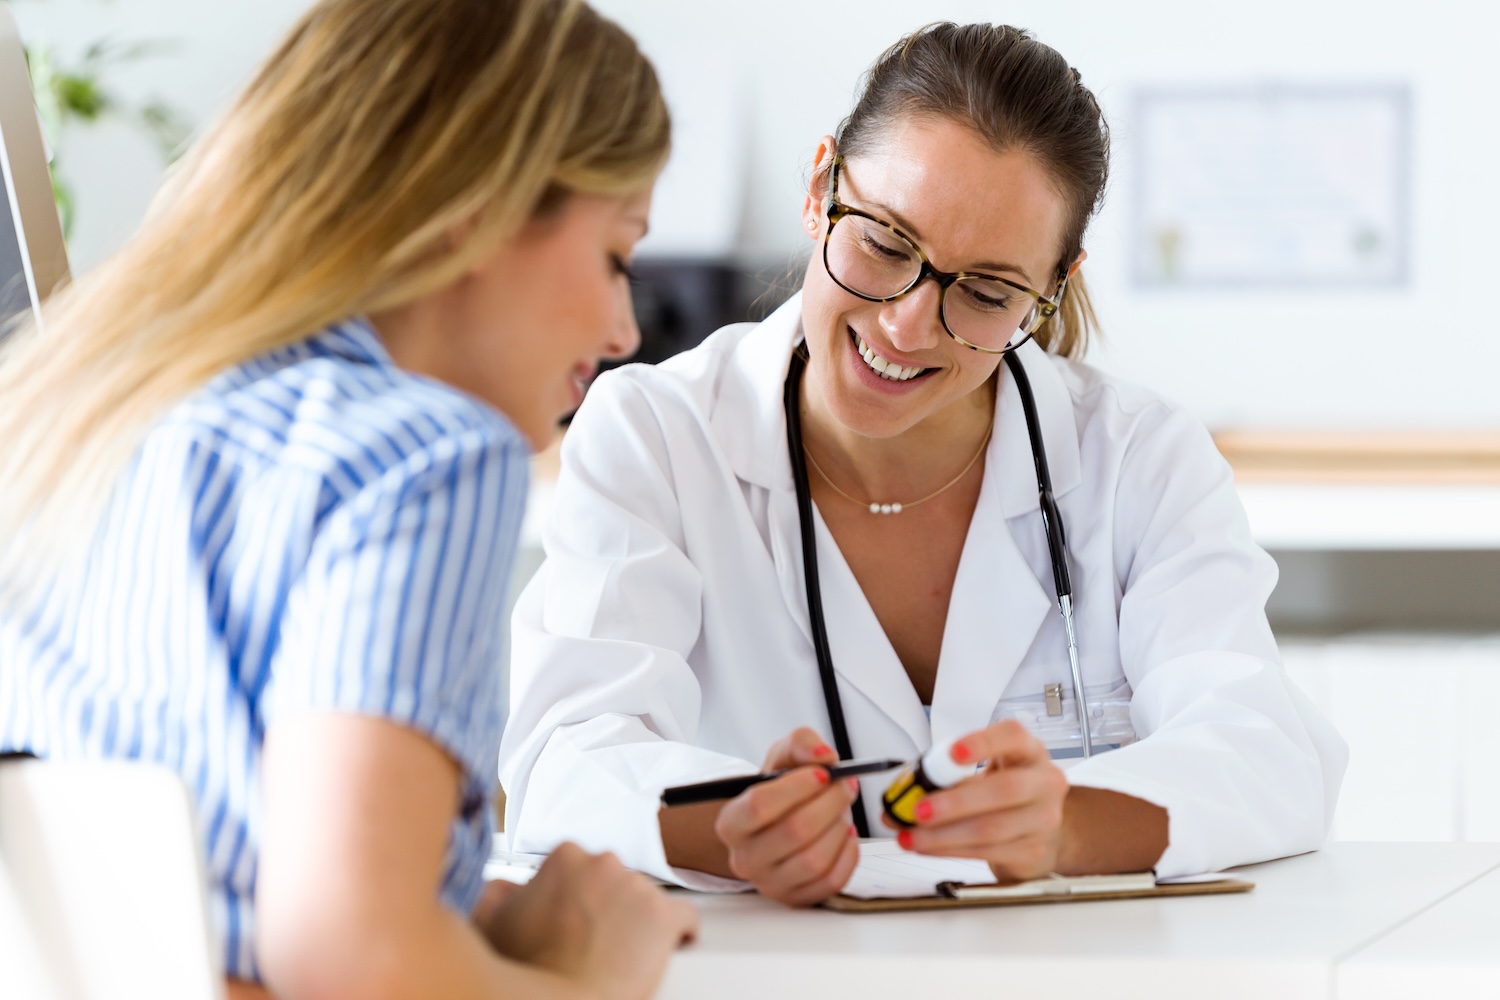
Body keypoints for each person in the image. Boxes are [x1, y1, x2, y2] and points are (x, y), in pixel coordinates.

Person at [499, 22, 1348, 906]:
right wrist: (734, 829)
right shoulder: (657, 437)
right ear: (823, 186)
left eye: (986, 291)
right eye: (884, 244)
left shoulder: (1138, 458)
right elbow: (565, 762)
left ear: (1052, 283)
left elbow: (1267, 752)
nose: (907, 325)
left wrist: (1065, 825)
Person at [0, 0, 697, 996]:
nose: (627, 326)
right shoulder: (425, 458)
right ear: (481, 204)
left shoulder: (77, 415)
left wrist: (447, 913)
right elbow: (352, 955)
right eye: (616, 255)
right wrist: (593, 977)